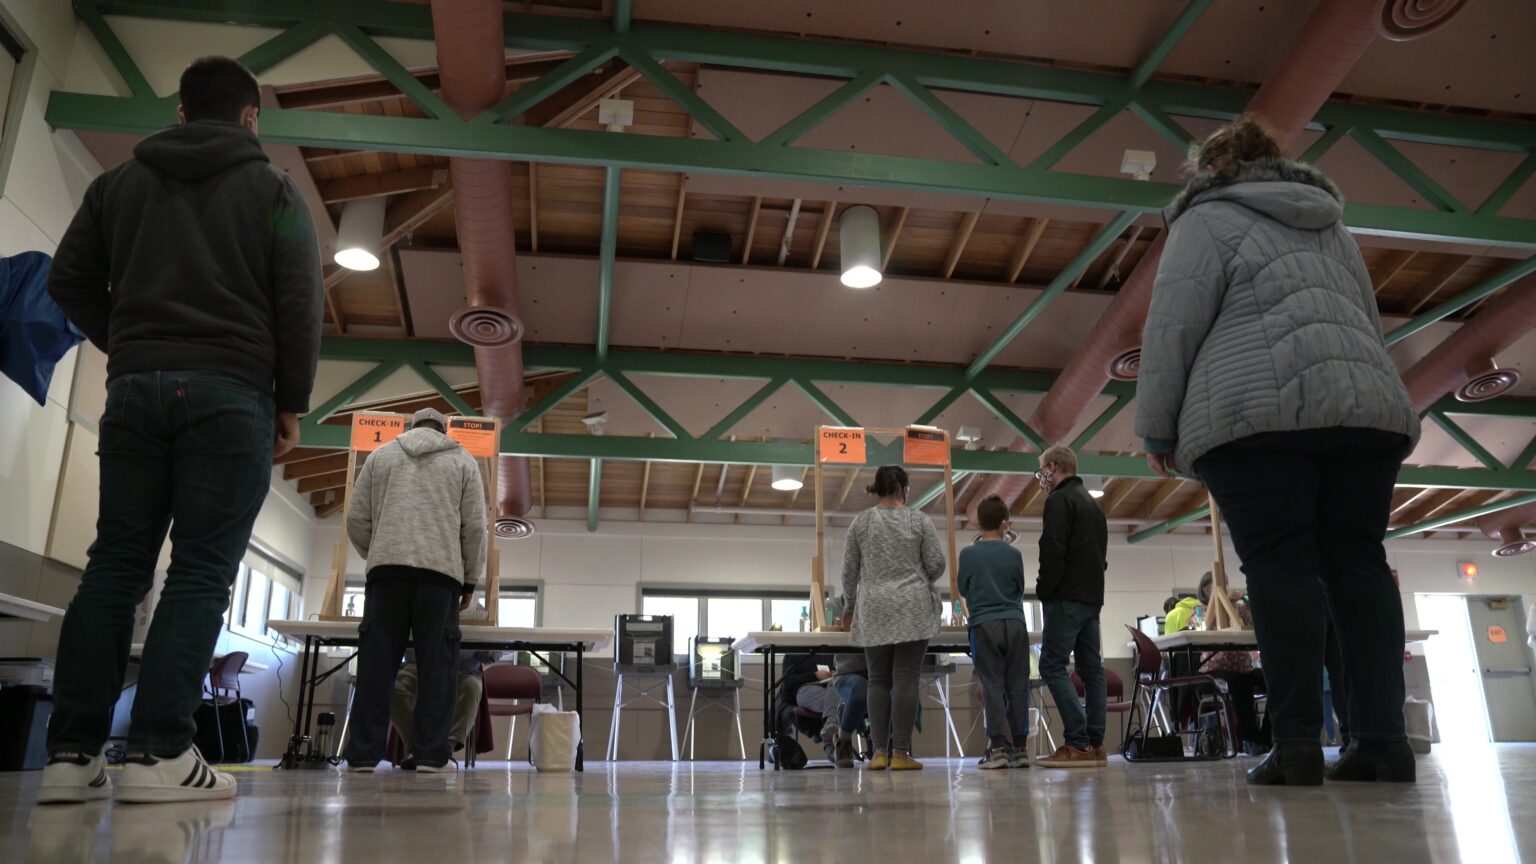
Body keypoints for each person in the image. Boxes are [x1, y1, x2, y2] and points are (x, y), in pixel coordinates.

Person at [39, 56, 323, 804]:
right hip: (231, 397)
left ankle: (70, 755)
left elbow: (65, 280)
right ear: (251, 118)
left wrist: (131, 345)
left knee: (115, 565)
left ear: (181, 111)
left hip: (134, 392)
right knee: (199, 570)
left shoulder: (116, 185)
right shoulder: (274, 191)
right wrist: (290, 399)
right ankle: (161, 753)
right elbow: (300, 303)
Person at [1135, 116, 1420, 786]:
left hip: (1256, 416)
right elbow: (1366, 322)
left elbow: (1174, 324)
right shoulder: (1332, 225)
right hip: (1363, 410)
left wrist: (1157, 429)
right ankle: (1382, 741)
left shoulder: (1204, 220)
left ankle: (1294, 746)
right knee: (1360, 566)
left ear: (1209, 168)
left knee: (1280, 566)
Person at [342, 408, 489, 774]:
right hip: (440, 577)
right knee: (438, 668)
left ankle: (362, 755)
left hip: (386, 573)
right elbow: (475, 528)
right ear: (443, 430)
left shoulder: (381, 456)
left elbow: (357, 518)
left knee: (377, 664)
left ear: (410, 428)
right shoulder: (463, 461)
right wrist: (470, 579)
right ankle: (429, 755)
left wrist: (377, 552)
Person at [842, 465, 946, 771]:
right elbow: (937, 563)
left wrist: (849, 605)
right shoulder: (919, 520)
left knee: (877, 679)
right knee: (905, 678)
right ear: (903, 489)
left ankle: (878, 754)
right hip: (912, 606)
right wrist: (919, 574)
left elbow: (848, 572)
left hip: (874, 605)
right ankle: (901, 753)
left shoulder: (861, 522)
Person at [1033, 444, 1109, 769]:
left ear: (1052, 466)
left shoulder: (1058, 500)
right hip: (1093, 598)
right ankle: (1094, 744)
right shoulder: (1094, 505)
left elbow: (1053, 549)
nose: (1042, 478)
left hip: (1065, 597)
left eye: (1042, 472)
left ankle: (1076, 742)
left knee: (1052, 665)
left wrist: (1043, 590)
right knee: (1092, 669)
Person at [959, 495, 1031, 770]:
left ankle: (999, 747)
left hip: (983, 624)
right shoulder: (1014, 554)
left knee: (991, 685)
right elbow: (1019, 587)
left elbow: (963, 589)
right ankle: (1021, 749)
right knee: (1017, 686)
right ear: (1005, 525)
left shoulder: (968, 554)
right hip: (1014, 623)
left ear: (978, 524)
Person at [391, 603, 497, 765]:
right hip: (418, 667)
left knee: (471, 687)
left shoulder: (478, 610)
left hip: (463, 670)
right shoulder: (417, 600)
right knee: (393, 687)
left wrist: (485, 640)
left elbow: (492, 654)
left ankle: (446, 747)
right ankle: (419, 748)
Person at [778, 652, 839, 763]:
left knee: (840, 696)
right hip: (806, 689)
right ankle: (834, 745)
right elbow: (787, 682)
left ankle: (831, 739)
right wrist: (815, 675)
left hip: (832, 687)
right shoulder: (793, 655)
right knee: (839, 703)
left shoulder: (832, 653)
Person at [828, 653, 870, 768]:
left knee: (896, 687)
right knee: (861, 688)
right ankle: (843, 741)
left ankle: (891, 745)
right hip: (847, 673)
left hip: (880, 670)